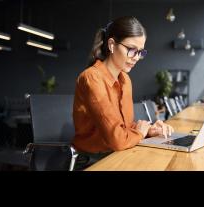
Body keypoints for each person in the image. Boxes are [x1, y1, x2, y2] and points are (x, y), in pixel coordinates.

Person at [72, 16, 174, 169]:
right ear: (112, 45)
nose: (137, 58)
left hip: (116, 153)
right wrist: (139, 133)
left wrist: (149, 130)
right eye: (132, 50)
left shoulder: (125, 80)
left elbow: (122, 127)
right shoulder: (91, 78)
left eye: (140, 52)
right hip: (91, 160)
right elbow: (117, 139)